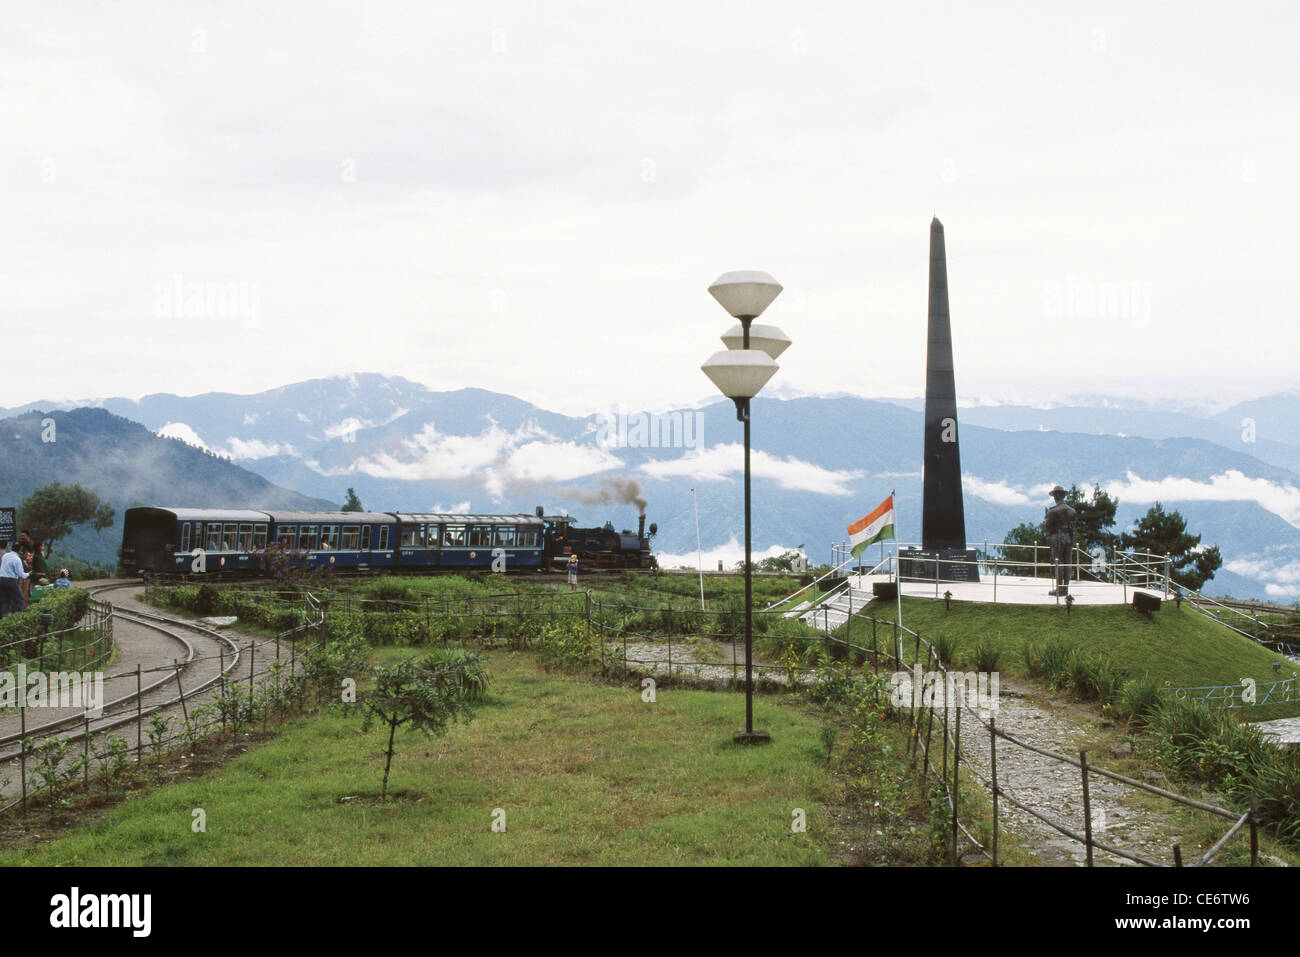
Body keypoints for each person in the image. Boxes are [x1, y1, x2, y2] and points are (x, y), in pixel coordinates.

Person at [1045, 484, 1077, 596]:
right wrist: (1071, 540)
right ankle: (1066, 588)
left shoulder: (1052, 511)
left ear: (1055, 496)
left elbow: (1047, 527)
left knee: (1058, 562)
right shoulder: (1072, 511)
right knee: (1068, 562)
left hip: (1057, 537)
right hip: (1068, 537)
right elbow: (1073, 528)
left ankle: (1059, 589)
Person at [0, 541, 29, 617]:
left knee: (5, 601)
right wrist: (29, 574)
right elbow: (21, 575)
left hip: (1, 580)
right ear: (20, 550)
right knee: (20, 601)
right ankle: (18, 619)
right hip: (11, 581)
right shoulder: (17, 559)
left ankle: (5, 621)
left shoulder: (5, 556)